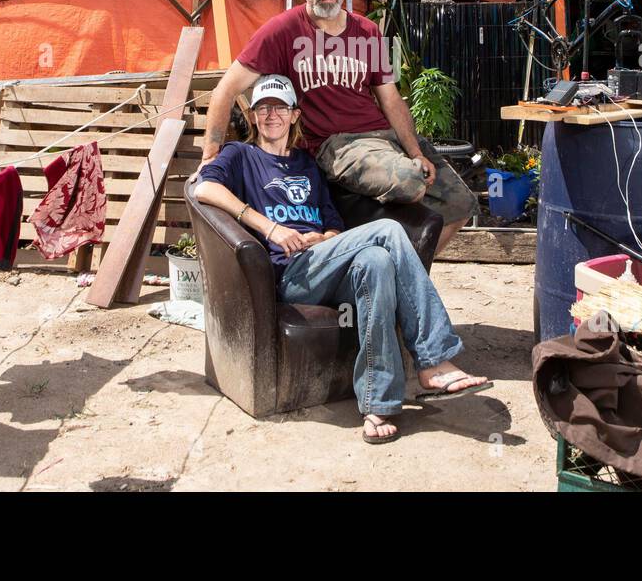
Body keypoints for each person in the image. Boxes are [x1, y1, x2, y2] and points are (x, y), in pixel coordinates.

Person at [194, 74, 491, 444]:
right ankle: (432, 358)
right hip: (290, 271)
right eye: (263, 108)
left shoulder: (307, 164)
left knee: (377, 262)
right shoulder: (242, 156)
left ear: (294, 115)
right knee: (388, 232)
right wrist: (271, 229)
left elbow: (333, 223)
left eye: (280, 108)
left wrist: (326, 238)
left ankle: (377, 402)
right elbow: (204, 187)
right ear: (253, 117)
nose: (271, 116)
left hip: (324, 260)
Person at [200, 0, 477, 254]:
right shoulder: (282, 31)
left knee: (463, 203)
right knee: (411, 181)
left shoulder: (367, 31)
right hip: (335, 145)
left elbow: (391, 100)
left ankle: (408, 280)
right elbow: (226, 89)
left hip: (383, 139)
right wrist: (211, 154)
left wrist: (415, 150)